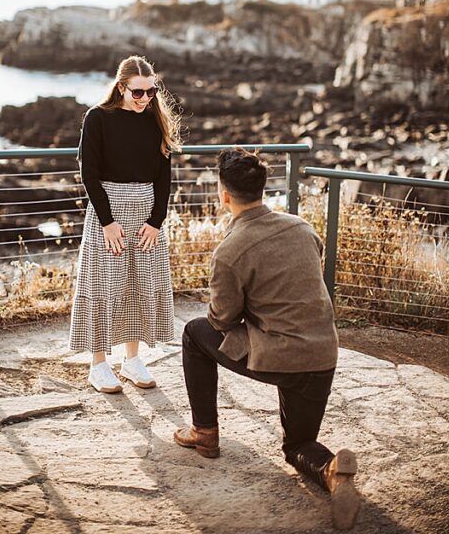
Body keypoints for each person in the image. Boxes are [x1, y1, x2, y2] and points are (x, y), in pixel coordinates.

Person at [174, 147, 360, 531]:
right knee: (297, 446)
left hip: (281, 356)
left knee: (195, 333)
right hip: (322, 356)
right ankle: (330, 470)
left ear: (224, 195)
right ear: (263, 187)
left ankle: (205, 433)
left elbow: (221, 319)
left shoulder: (230, 251)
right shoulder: (302, 227)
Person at [69, 55, 181, 394]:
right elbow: (89, 173)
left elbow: (164, 176)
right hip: (109, 213)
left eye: (151, 92)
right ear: (121, 87)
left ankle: (132, 360)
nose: (146, 99)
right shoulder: (97, 118)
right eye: (138, 92)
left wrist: (156, 221)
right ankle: (99, 364)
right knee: (104, 287)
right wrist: (107, 222)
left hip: (146, 214)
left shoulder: (155, 120)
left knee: (137, 285)